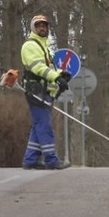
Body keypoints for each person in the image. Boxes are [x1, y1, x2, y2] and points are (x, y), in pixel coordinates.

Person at [21, 15, 71, 170]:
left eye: (45, 25)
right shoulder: (30, 46)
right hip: (36, 90)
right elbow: (38, 68)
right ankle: (51, 160)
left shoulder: (45, 47)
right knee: (44, 125)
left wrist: (61, 73)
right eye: (39, 25)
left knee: (38, 125)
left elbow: (49, 67)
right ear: (33, 28)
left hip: (44, 91)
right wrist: (56, 77)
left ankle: (30, 160)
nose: (42, 28)